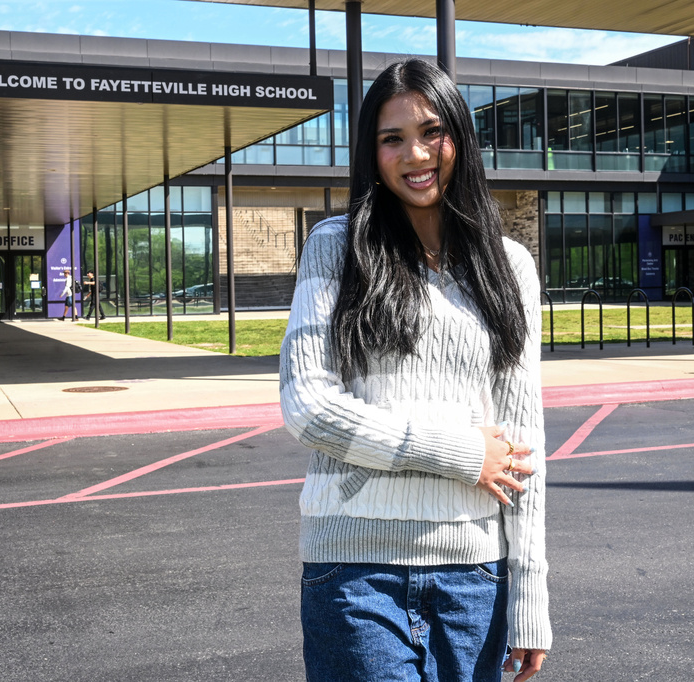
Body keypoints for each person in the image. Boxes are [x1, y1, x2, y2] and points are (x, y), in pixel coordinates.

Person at [280, 58, 550, 681]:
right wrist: (456, 451)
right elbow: (308, 406)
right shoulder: (336, 247)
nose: (415, 154)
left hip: (475, 578)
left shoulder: (509, 266)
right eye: (391, 138)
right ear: (371, 153)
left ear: (459, 136)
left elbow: (522, 442)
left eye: (432, 131)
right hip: (354, 569)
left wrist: (531, 597)